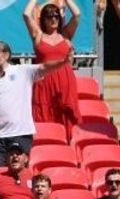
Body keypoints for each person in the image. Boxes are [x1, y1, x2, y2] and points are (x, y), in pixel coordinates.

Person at [0, 41, 71, 168]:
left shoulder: (22, 71)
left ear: (6, 55)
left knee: (19, 173)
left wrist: (63, 62)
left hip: (20, 134)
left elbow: (44, 67)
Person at [24, 0, 81, 130]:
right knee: (43, 115)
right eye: (49, 16)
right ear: (43, 20)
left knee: (66, 116)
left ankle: (68, 148)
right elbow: (26, 15)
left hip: (65, 82)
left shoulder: (66, 35)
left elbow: (77, 14)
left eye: (56, 16)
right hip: (44, 83)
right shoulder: (38, 36)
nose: (53, 19)